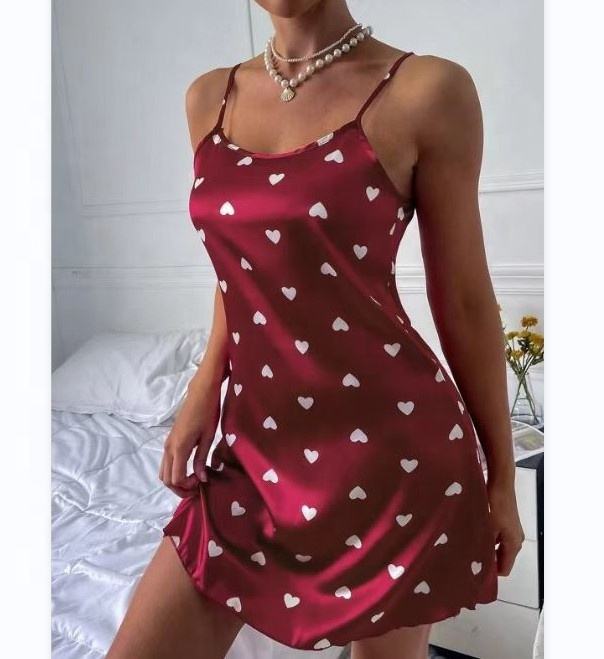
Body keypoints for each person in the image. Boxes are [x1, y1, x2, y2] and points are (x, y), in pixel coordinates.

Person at [107, 1, 524, 657]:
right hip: (253, 452)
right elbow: (243, 268)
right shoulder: (209, 99)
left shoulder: (425, 91)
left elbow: (466, 301)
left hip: (395, 460)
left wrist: (501, 477)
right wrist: (202, 390)